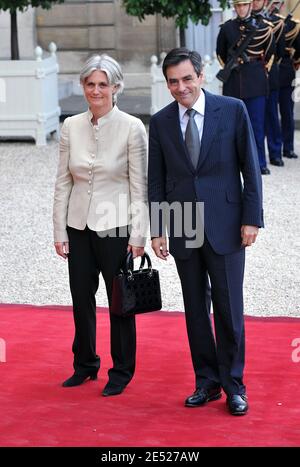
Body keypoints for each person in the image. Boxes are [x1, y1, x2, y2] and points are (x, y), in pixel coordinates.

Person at [148, 48, 263, 416]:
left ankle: (234, 385)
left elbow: (251, 167)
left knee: (229, 309)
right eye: (172, 81)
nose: (180, 87)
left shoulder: (232, 110)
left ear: (201, 75)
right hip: (182, 226)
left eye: (186, 78)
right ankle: (207, 382)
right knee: (196, 309)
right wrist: (157, 229)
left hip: (226, 223)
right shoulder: (161, 121)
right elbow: (156, 180)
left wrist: (252, 219)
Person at [53, 54, 148, 396]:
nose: (96, 90)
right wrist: (58, 231)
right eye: (90, 84)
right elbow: (63, 182)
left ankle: (121, 371)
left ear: (116, 87)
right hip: (78, 225)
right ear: (83, 87)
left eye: (103, 84)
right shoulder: (70, 126)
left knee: (120, 300)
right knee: (81, 297)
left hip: (116, 227)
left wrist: (138, 235)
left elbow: (140, 186)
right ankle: (85, 364)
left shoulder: (132, 127)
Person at [216, 0, 275, 175]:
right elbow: (220, 52)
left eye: (244, 5)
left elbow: (270, 54)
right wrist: (231, 66)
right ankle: (232, 165)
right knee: (231, 127)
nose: (241, 9)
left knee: (257, 125)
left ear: (250, 6)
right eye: (238, 6)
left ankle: (259, 163)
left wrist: (258, 70)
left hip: (256, 82)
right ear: (235, 7)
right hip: (233, 82)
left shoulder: (265, 28)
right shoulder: (227, 28)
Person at [252, 0, 285, 167]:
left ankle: (274, 152)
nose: (254, 2)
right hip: (249, 79)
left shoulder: (276, 23)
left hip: (268, 75)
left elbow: (278, 52)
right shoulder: (241, 23)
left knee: (271, 116)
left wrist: (264, 67)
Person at [278, 0, 300, 159]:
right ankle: (274, 149)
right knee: (269, 115)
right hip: (267, 74)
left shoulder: (294, 26)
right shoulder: (266, 23)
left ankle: (288, 147)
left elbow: (298, 50)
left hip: (286, 71)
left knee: (287, 113)